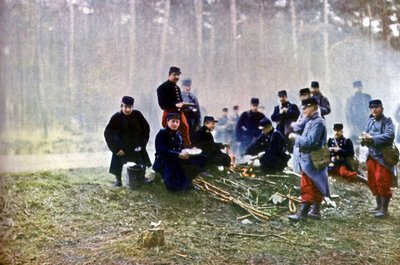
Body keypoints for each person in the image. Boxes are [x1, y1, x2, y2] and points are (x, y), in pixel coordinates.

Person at [287, 97, 330, 221]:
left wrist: (296, 138)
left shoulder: (318, 122)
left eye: (306, 108)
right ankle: (316, 211)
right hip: (310, 158)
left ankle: (303, 214)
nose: (303, 110)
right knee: (316, 184)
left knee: (308, 185)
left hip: (312, 159)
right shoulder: (310, 121)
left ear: (313, 107)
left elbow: (310, 141)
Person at [104, 96, 152, 187]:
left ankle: (142, 177)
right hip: (121, 147)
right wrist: (116, 149)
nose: (128, 109)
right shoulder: (116, 117)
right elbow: (108, 133)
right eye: (125, 107)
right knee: (117, 158)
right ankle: (118, 180)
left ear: (133, 107)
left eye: (130, 107)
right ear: (121, 106)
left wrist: (142, 144)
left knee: (142, 157)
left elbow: (146, 129)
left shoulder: (138, 115)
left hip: (136, 146)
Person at [153, 113, 206, 192]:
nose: (175, 124)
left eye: (177, 122)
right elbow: (162, 151)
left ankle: (188, 182)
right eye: (173, 121)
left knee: (200, 158)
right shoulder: (162, 134)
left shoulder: (178, 134)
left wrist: (191, 149)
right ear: (167, 121)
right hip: (164, 161)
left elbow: (181, 147)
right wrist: (178, 154)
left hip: (176, 159)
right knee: (174, 188)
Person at [361, 99, 395, 218]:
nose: (374, 110)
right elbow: (366, 134)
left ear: (382, 108)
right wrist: (364, 139)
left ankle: (384, 210)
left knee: (382, 181)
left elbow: (390, 136)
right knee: (372, 181)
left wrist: (372, 138)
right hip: (371, 155)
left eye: (376, 107)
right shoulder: (370, 121)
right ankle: (378, 206)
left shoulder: (387, 121)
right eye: (372, 108)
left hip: (383, 157)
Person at [156, 66, 191, 147]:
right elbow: (162, 105)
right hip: (169, 113)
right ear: (169, 75)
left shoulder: (177, 88)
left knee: (185, 128)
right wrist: (176, 105)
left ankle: (186, 146)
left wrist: (183, 105)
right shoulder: (162, 88)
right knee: (170, 131)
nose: (177, 77)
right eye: (175, 75)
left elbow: (180, 101)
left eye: (178, 75)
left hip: (179, 113)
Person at [291, 88, 312, 173]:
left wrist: (295, 125)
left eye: (305, 95)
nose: (304, 97)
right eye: (302, 95)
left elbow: (303, 122)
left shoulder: (310, 107)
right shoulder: (300, 107)